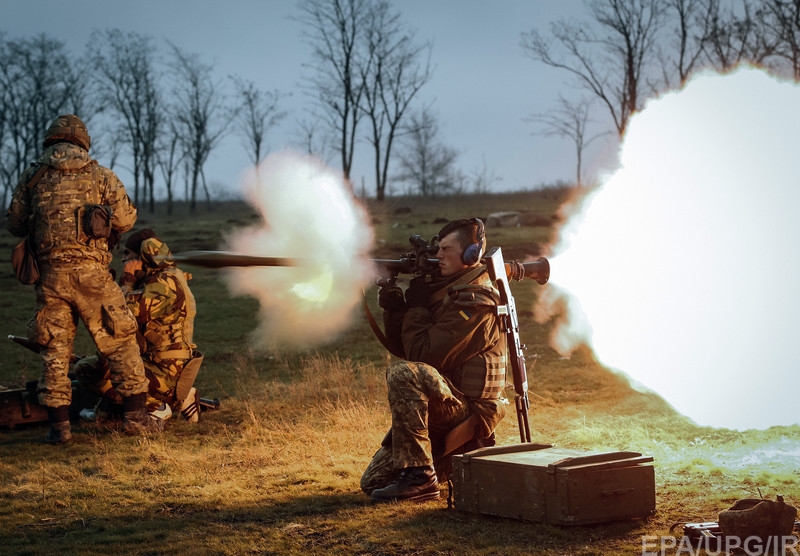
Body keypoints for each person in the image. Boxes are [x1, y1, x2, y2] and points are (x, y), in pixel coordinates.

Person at [5, 114, 158, 443]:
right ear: (82, 143)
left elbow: (14, 224)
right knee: (120, 341)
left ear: (51, 141)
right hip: (93, 276)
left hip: (51, 278)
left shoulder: (32, 177)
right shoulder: (100, 175)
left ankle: (59, 428)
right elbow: (127, 218)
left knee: (54, 351)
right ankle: (135, 418)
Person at [361, 218, 508, 502]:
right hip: (446, 403)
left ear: (471, 254)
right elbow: (407, 348)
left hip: (469, 410)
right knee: (374, 481)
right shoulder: (446, 292)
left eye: (446, 249)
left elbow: (421, 357)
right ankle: (454, 460)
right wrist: (396, 310)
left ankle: (422, 478)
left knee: (403, 373)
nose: (437, 255)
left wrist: (416, 306)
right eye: (437, 249)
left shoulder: (475, 302)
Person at [75, 229, 203, 424]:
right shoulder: (161, 280)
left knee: (88, 371)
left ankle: (161, 406)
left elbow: (120, 319)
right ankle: (163, 402)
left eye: (128, 256)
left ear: (143, 256)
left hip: (165, 373)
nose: (124, 261)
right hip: (157, 367)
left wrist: (127, 280)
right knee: (99, 367)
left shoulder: (164, 284)